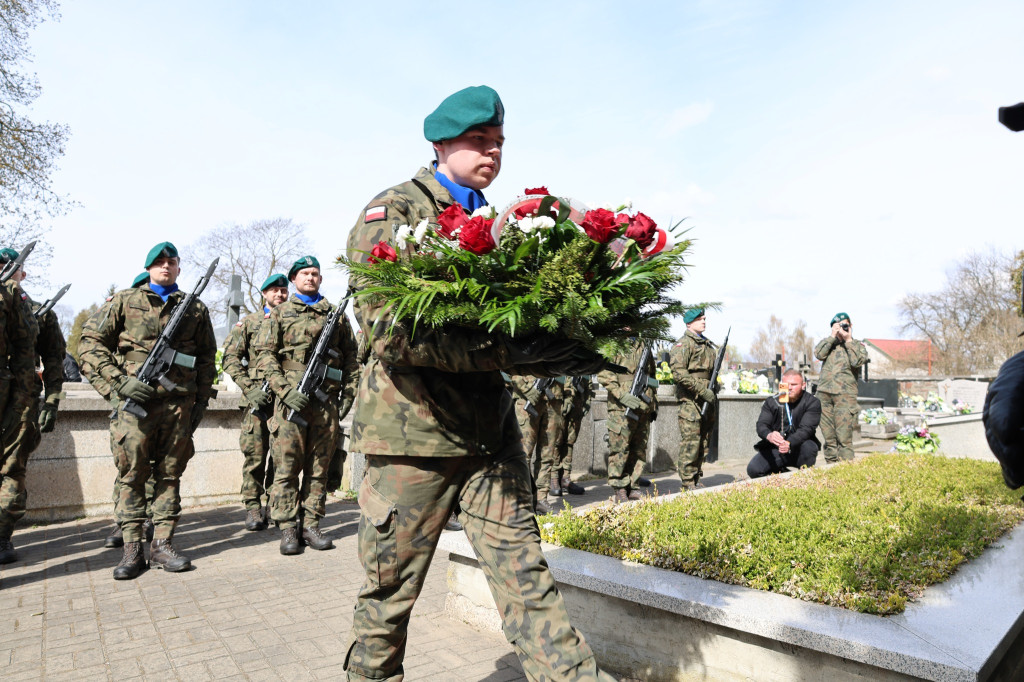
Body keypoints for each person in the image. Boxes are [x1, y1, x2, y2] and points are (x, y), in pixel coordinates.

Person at [344, 85, 614, 681]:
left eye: (497, 143)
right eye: (477, 141)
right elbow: (388, 330)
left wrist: (558, 347)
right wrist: (512, 349)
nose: (491, 153)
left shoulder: (502, 223)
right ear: (440, 143)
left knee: (527, 579)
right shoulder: (394, 213)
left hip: (490, 435)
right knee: (389, 595)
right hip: (412, 439)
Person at [79, 242, 217, 579]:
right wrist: (118, 383)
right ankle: (131, 551)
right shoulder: (126, 301)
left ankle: (162, 546)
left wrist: (199, 404)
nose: (165, 267)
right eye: (159, 263)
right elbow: (89, 345)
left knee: (169, 476)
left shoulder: (194, 308)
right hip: (135, 407)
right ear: (149, 268)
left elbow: (206, 358)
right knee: (132, 475)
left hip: (178, 407)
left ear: (179, 268)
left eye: (171, 262)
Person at [253, 256, 359, 555]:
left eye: (315, 273)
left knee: (319, 470)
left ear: (321, 279)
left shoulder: (335, 315)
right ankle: (288, 527)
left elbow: (351, 358)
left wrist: (347, 396)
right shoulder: (280, 313)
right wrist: (284, 390)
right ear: (294, 279)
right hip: (290, 404)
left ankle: (311, 524)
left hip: (325, 405)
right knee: (286, 468)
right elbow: (265, 356)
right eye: (304, 274)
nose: (310, 277)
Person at [221, 273, 289, 531]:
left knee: (281, 456)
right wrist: (249, 389)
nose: (280, 295)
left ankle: (274, 504)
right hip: (257, 401)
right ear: (264, 294)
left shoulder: (293, 322)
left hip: (284, 400)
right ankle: (252, 507)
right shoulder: (249, 323)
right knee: (255, 456)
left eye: (283, 290)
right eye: (274, 291)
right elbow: (229, 359)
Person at [94, 273, 157, 550]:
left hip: (157, 402)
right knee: (128, 468)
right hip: (126, 400)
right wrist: (114, 391)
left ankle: (148, 519)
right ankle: (124, 522)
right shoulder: (120, 313)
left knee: (155, 469)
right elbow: (92, 357)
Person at [0, 250, 42, 564]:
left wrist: (49, 400)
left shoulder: (25, 305)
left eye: (10, 268)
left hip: (16, 399)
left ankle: (2, 538)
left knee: (12, 470)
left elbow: (35, 351)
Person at [598, 342, 657, 503]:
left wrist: (653, 404)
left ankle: (634, 485)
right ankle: (619, 487)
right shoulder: (613, 343)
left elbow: (652, 375)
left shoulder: (643, 344)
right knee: (620, 448)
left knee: (639, 448)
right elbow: (603, 373)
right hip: (620, 407)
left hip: (643, 406)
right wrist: (622, 394)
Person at [669, 308, 718, 489]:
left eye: (704, 318)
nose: (704, 321)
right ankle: (687, 481)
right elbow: (679, 374)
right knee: (691, 441)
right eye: (700, 319)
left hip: (707, 399)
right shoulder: (683, 344)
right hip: (690, 400)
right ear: (689, 323)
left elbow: (712, 373)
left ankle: (696, 476)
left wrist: (712, 390)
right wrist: (701, 390)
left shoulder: (708, 346)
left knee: (704, 440)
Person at [746, 369, 821, 478]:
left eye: (794, 384)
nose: (789, 388)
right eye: (786, 385)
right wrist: (769, 435)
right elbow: (761, 425)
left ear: (803, 385)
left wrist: (789, 442)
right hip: (777, 447)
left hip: (800, 447)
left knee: (810, 447)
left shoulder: (812, 402)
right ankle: (782, 474)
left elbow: (806, 429)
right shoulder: (772, 401)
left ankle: (805, 477)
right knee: (754, 469)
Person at [814, 312, 868, 463]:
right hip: (824, 396)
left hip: (844, 397)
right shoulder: (828, 344)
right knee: (829, 438)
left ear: (850, 326)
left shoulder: (857, 345)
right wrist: (832, 336)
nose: (842, 328)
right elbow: (818, 354)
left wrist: (848, 339)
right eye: (839, 326)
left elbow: (857, 361)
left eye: (845, 325)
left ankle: (846, 472)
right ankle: (831, 469)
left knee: (844, 439)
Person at [509, 375, 567, 513]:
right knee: (523, 454)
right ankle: (522, 500)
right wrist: (526, 388)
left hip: (554, 398)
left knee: (548, 454)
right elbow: (510, 366)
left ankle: (541, 499)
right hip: (527, 398)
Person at [556, 375, 592, 495]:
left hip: (577, 398)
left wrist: (587, 398)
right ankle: (554, 478)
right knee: (556, 439)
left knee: (570, 440)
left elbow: (587, 374)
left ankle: (565, 478)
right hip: (559, 395)